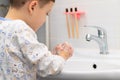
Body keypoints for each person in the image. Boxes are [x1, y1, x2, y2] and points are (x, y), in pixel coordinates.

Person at [0, 0, 74, 80]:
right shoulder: (21, 29)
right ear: (32, 6)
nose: (45, 19)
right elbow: (49, 66)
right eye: (46, 13)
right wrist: (63, 56)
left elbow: (25, 60)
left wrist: (51, 55)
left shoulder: (2, 26)